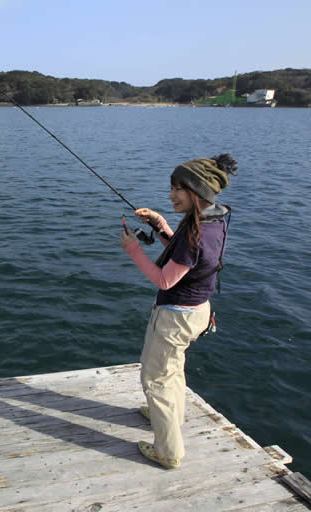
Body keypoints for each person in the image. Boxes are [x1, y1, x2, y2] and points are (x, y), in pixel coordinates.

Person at [120, 154, 237, 469]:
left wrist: (133, 249)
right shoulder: (214, 221)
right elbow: (186, 257)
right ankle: (171, 413)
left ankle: (168, 452)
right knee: (171, 368)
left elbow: (165, 279)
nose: (171, 195)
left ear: (197, 192)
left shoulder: (195, 233)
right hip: (197, 312)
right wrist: (159, 224)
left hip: (175, 317)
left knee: (155, 379)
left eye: (177, 189)